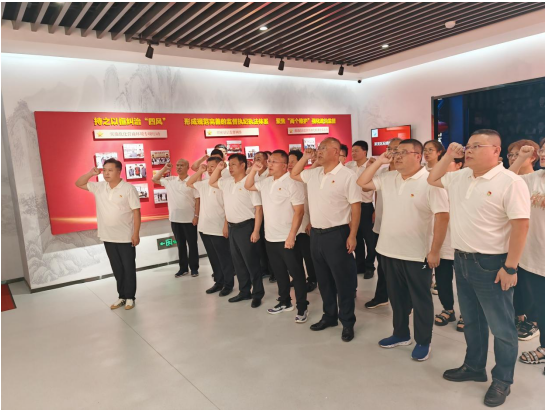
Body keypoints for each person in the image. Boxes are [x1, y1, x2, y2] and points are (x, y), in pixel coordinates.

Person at [428, 129, 530, 407]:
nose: (469, 150)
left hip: (492, 264)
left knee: (502, 327)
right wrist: (448, 155)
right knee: (472, 320)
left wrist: (511, 267)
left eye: (477, 146)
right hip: (462, 259)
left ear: (496, 151)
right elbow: (432, 178)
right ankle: (474, 366)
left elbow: (521, 226)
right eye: (468, 146)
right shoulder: (460, 176)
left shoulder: (509, 182)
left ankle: (502, 380)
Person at [357, 139, 449, 362]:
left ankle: (423, 341)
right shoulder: (389, 177)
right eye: (394, 152)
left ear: (417, 156)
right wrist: (379, 161)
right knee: (396, 298)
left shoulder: (430, 181)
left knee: (420, 300)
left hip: (416, 253)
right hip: (388, 250)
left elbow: (442, 217)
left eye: (402, 153)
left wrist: (435, 251)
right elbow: (362, 182)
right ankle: (400, 334)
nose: (396, 156)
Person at [291, 138, 361, 342]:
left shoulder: (348, 176)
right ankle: (329, 316)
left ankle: (347, 322)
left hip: (337, 234)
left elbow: (356, 207)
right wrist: (306, 157)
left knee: (343, 281)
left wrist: (352, 235)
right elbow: (294, 173)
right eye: (318, 148)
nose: (319, 151)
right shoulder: (314, 173)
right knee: (324, 280)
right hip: (316, 234)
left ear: (336, 152)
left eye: (323, 148)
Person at [245, 150, 309, 322]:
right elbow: (248, 186)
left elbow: (299, 212)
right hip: (270, 237)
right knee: (279, 273)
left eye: (274, 161)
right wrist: (253, 170)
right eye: (270, 161)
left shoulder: (292, 182)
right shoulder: (266, 181)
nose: (270, 164)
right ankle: (285, 301)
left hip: (287, 238)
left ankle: (302, 307)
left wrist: (291, 236)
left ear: (285, 165)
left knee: (296, 273)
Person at [75, 159, 141, 310]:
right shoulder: (99, 187)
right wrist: (90, 173)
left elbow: (136, 212)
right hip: (107, 235)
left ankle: (130, 297)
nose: (106, 173)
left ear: (119, 171)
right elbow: (78, 183)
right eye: (104, 170)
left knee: (128, 268)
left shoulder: (128, 189)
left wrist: (136, 234)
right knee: (117, 268)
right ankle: (121, 296)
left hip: (125, 236)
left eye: (110, 170)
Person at [209, 153, 265, 308]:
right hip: (233, 228)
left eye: (233, 164)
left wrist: (256, 231)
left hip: (247, 227)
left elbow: (258, 209)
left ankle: (257, 294)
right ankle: (244, 291)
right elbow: (211, 182)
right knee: (238, 263)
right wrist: (218, 168)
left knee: (251, 262)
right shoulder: (227, 182)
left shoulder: (249, 183)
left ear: (243, 165)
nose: (230, 168)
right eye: (229, 165)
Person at [509, 142, 545, 367]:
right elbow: (506, 179)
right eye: (543, 149)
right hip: (533, 256)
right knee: (541, 307)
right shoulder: (534, 178)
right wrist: (521, 158)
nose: (543, 153)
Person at [187, 157, 235, 297]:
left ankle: (228, 284)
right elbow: (189, 183)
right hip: (204, 227)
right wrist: (199, 171)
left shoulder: (224, 184)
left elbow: (228, 208)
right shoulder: (203, 184)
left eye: (213, 166)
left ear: (221, 167)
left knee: (224, 258)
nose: (209, 169)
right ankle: (219, 282)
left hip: (219, 228)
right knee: (213, 258)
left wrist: (226, 226)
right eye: (208, 166)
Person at [365, 137, 402, 309]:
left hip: (399, 228)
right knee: (382, 265)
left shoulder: (405, 173)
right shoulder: (383, 172)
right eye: (390, 148)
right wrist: (375, 209)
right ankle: (381, 296)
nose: (392, 152)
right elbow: (366, 186)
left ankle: (405, 302)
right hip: (381, 225)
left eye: (396, 149)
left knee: (400, 267)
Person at [433, 156, 466, 333]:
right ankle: (448, 309)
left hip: (463, 242)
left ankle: (466, 314)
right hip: (442, 241)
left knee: (464, 282)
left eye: (448, 161)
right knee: (442, 279)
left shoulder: (465, 181)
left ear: (459, 164)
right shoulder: (436, 183)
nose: (443, 165)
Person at [152, 159, 201, 278]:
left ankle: (194, 268)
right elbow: (154, 179)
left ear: (187, 167)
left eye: (182, 165)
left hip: (189, 219)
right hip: (175, 219)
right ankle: (183, 268)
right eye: (177, 165)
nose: (179, 167)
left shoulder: (192, 181)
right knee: (180, 245)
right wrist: (165, 168)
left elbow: (197, 200)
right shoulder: (171, 180)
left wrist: (196, 216)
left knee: (192, 245)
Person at [346, 141, 376, 279]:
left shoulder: (372, 166)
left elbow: (377, 189)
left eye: (356, 151)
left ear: (365, 152)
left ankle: (370, 266)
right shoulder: (349, 166)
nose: (353, 153)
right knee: (355, 236)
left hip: (366, 206)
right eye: (352, 151)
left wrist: (376, 209)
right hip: (352, 206)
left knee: (370, 240)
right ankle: (360, 265)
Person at [288, 150, 317, 291]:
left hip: (305, 223)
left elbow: (313, 202)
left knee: (308, 255)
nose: (290, 164)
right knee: (295, 255)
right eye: (288, 161)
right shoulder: (285, 179)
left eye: (293, 161)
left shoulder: (307, 177)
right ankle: (298, 277)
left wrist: (312, 221)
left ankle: (312, 279)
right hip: (291, 225)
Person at [252, 151, 274, 283]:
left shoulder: (269, 175)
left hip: (268, 212)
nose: (257, 161)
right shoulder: (253, 174)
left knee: (269, 244)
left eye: (259, 159)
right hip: (257, 212)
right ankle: (264, 268)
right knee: (260, 244)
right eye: (255, 158)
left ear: (266, 161)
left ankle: (273, 271)